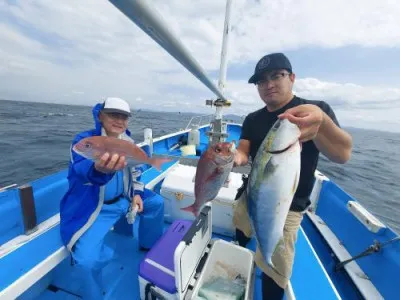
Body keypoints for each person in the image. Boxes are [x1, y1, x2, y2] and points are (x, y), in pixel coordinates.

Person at [232, 53, 353, 299]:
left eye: (277, 76)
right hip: (252, 193)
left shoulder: (314, 111)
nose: (269, 85)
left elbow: (342, 154)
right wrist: (233, 158)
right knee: (241, 223)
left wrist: (321, 124)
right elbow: (244, 151)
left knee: (275, 266)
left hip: (289, 207)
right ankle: (240, 257)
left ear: (292, 78)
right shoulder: (253, 119)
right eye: (261, 81)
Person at [59, 97, 165, 299]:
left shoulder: (128, 143)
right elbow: (81, 169)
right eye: (113, 115)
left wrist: (138, 195)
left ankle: (148, 246)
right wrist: (98, 169)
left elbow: (136, 172)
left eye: (124, 117)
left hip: (125, 198)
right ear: (100, 116)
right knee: (86, 261)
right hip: (95, 208)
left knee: (157, 203)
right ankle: (94, 294)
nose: (119, 120)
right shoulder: (85, 141)